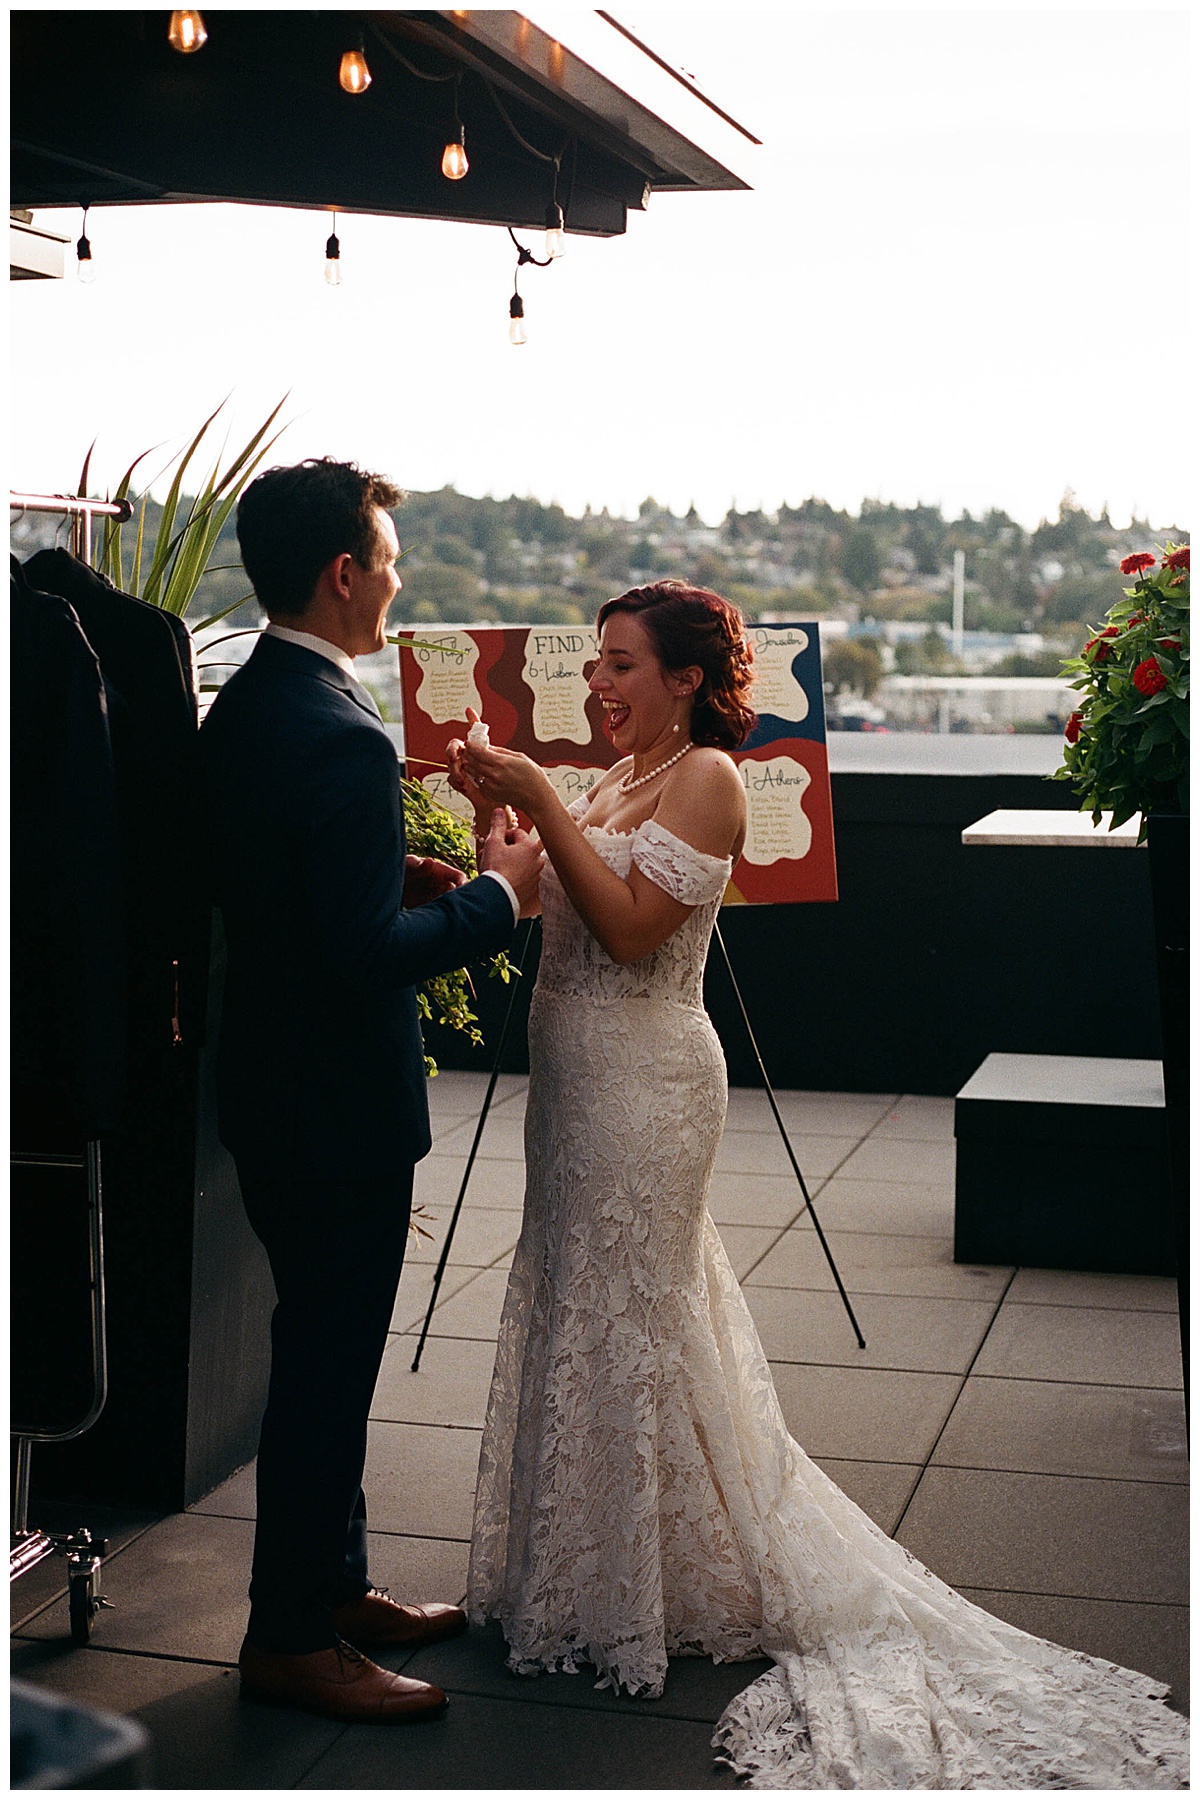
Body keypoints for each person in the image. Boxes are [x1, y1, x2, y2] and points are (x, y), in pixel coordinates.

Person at [448, 579, 1189, 1788]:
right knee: (580, 1298)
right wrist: (510, 848)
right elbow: (563, 913)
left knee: (631, 1312)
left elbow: (635, 931)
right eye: (596, 665)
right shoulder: (606, 781)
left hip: (647, 1081)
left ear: (687, 678)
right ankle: (588, 1569)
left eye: (623, 665)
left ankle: (641, 1585)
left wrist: (542, 796)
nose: (599, 686)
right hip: (573, 1075)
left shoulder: (711, 780)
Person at [199, 459, 543, 1725]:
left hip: (272, 1092)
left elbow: (286, 907)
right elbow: (358, 961)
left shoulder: (250, 705)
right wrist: (496, 897)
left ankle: (335, 1588)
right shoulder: (342, 738)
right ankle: (291, 1636)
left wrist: (397, 869)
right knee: (325, 1373)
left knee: (318, 1353)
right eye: (389, 562)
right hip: (336, 1113)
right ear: (344, 573)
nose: (399, 581)